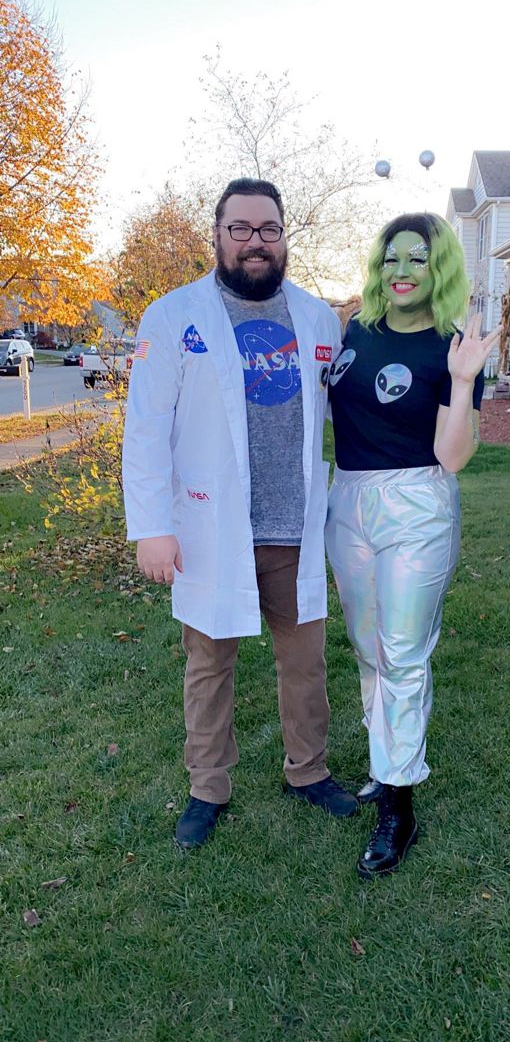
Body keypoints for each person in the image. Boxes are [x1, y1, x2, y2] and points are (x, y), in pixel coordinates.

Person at [122, 177, 358, 849]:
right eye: (241, 228)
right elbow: (144, 429)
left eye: (269, 229)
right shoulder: (173, 317)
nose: (256, 242)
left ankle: (307, 772)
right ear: (219, 234)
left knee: (306, 663)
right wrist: (152, 528)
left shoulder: (316, 318)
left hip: (295, 527)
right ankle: (207, 787)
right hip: (208, 528)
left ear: (284, 237)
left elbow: (345, 414)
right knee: (208, 664)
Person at [325, 213, 501, 878]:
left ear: (439, 269)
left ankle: (398, 803)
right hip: (350, 499)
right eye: (392, 258)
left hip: (417, 506)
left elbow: (453, 457)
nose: (401, 272)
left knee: (402, 654)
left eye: (417, 260)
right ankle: (382, 761)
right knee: (367, 647)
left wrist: (461, 381)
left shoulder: (453, 347)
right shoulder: (354, 332)